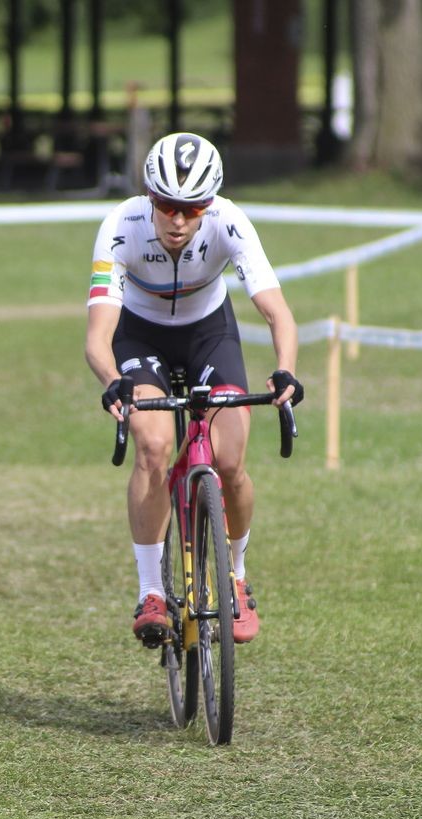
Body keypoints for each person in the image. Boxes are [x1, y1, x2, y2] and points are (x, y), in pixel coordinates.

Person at [84, 131, 304, 646]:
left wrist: (285, 368)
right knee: (155, 445)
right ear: (149, 197)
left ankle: (237, 576)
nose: (179, 221)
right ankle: (151, 592)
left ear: (209, 205)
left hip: (210, 332)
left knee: (230, 461)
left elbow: (277, 312)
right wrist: (112, 380)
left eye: (192, 208)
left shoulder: (229, 221)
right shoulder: (121, 226)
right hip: (139, 334)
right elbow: (98, 338)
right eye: (167, 206)